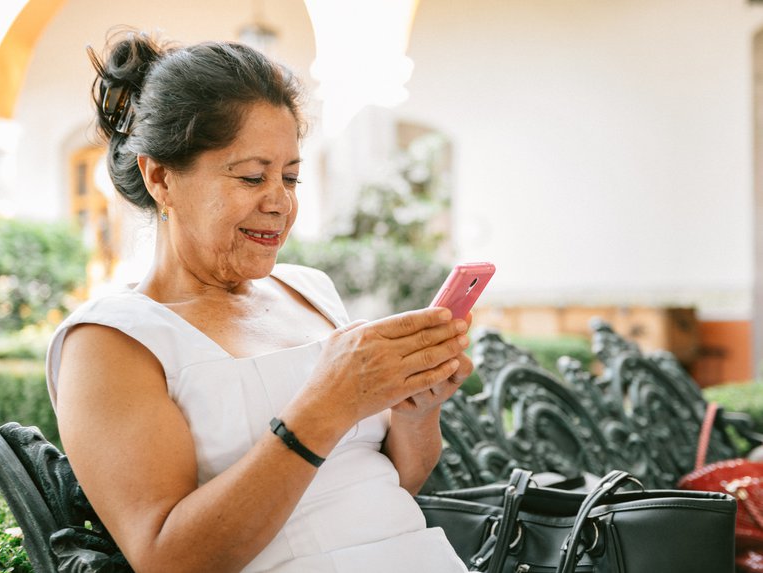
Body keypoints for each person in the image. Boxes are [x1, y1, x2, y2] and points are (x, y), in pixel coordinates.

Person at [47, 29, 473, 573]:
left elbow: (384, 484)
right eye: (251, 176)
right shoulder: (111, 341)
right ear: (160, 177)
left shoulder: (311, 290)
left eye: (290, 177)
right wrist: (329, 404)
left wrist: (418, 411)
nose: (279, 203)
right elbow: (167, 558)